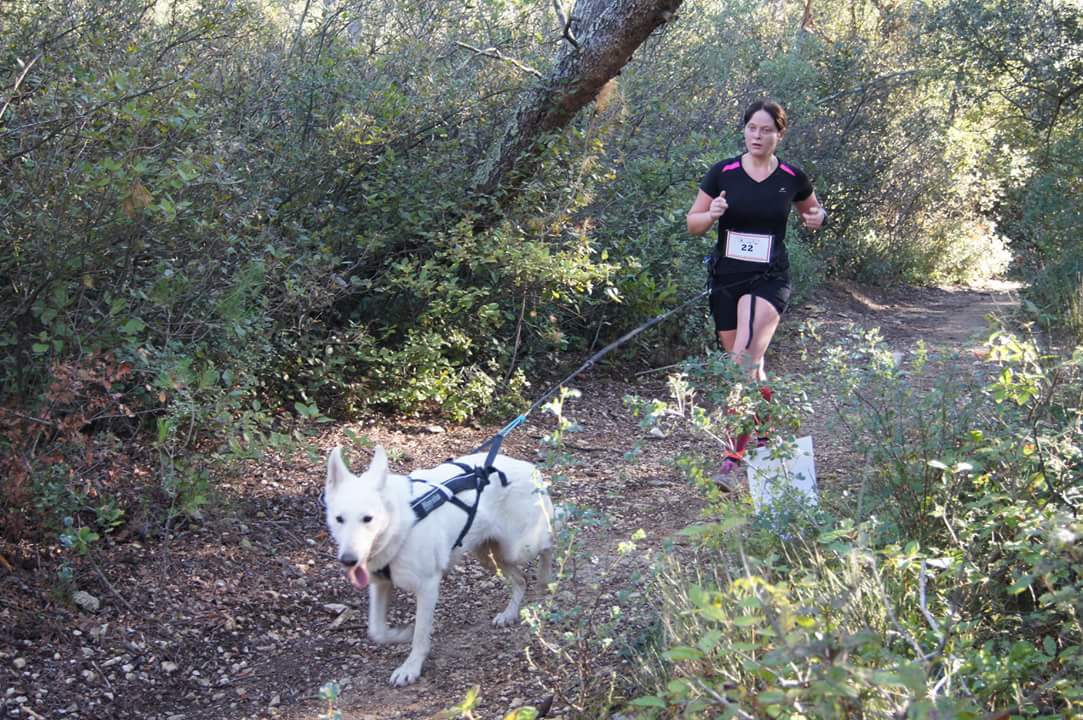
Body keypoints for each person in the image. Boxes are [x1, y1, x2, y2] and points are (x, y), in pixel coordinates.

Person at [686, 99, 825, 483]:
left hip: (769, 279)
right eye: (752, 128)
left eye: (766, 130)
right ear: (744, 130)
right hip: (726, 280)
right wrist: (710, 214)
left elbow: (813, 213)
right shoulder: (723, 173)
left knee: (741, 362)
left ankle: (733, 457)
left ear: (780, 134)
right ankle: (764, 434)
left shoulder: (793, 176)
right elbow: (693, 224)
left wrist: (818, 217)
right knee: (749, 365)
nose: (757, 136)